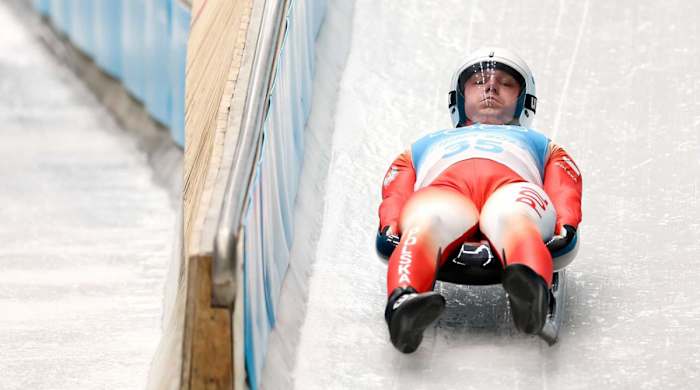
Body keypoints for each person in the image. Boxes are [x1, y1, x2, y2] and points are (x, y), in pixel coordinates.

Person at [376, 47, 582, 353]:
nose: (491, 87)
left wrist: (566, 223)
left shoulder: (542, 145)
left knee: (513, 217)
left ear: (523, 100)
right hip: (447, 191)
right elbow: (396, 187)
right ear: (459, 96)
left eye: (506, 83)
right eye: (479, 82)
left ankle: (530, 289)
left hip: (511, 188)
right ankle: (404, 303)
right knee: (425, 221)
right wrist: (391, 223)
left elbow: (565, 184)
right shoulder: (424, 145)